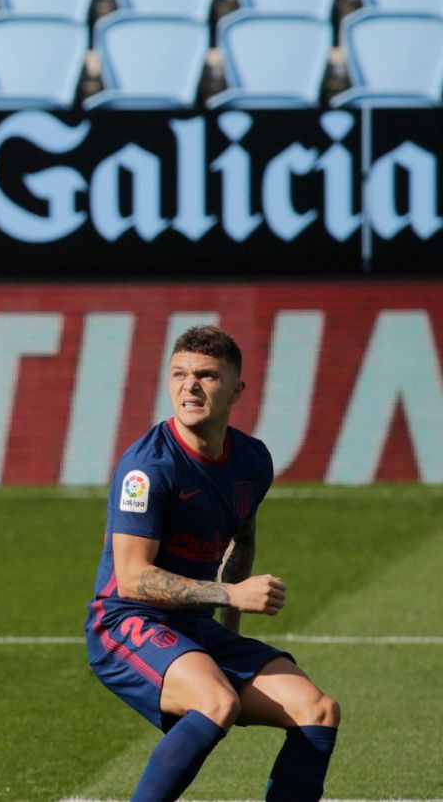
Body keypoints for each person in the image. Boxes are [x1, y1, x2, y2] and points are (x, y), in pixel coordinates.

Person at [86, 325, 340, 801]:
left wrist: (231, 626)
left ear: (236, 390)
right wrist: (230, 594)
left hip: (196, 629)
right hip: (125, 622)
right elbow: (133, 579)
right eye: (179, 374)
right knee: (216, 701)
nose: (190, 386)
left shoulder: (252, 459)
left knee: (318, 709)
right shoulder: (148, 468)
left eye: (206, 376)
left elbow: (242, 539)